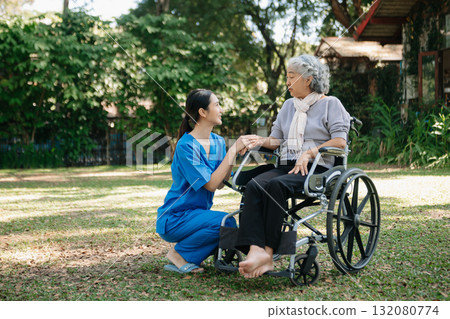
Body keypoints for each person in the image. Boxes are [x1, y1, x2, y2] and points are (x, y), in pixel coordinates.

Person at [235, 54, 351, 278]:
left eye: (291, 77)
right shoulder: (288, 106)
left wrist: (309, 152)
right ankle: (254, 249)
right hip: (287, 165)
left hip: (317, 168)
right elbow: (276, 140)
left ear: (308, 79)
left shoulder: (331, 104)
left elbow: (340, 141)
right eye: (287, 77)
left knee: (276, 185)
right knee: (254, 184)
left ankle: (267, 253)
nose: (287, 82)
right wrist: (257, 141)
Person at [156, 89, 247, 274]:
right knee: (225, 222)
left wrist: (232, 155)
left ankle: (188, 254)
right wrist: (233, 150)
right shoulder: (186, 146)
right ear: (202, 112)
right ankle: (177, 255)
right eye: (217, 105)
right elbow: (211, 185)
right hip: (175, 217)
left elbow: (221, 183)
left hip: (196, 215)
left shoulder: (218, 142)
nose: (221, 109)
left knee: (227, 223)